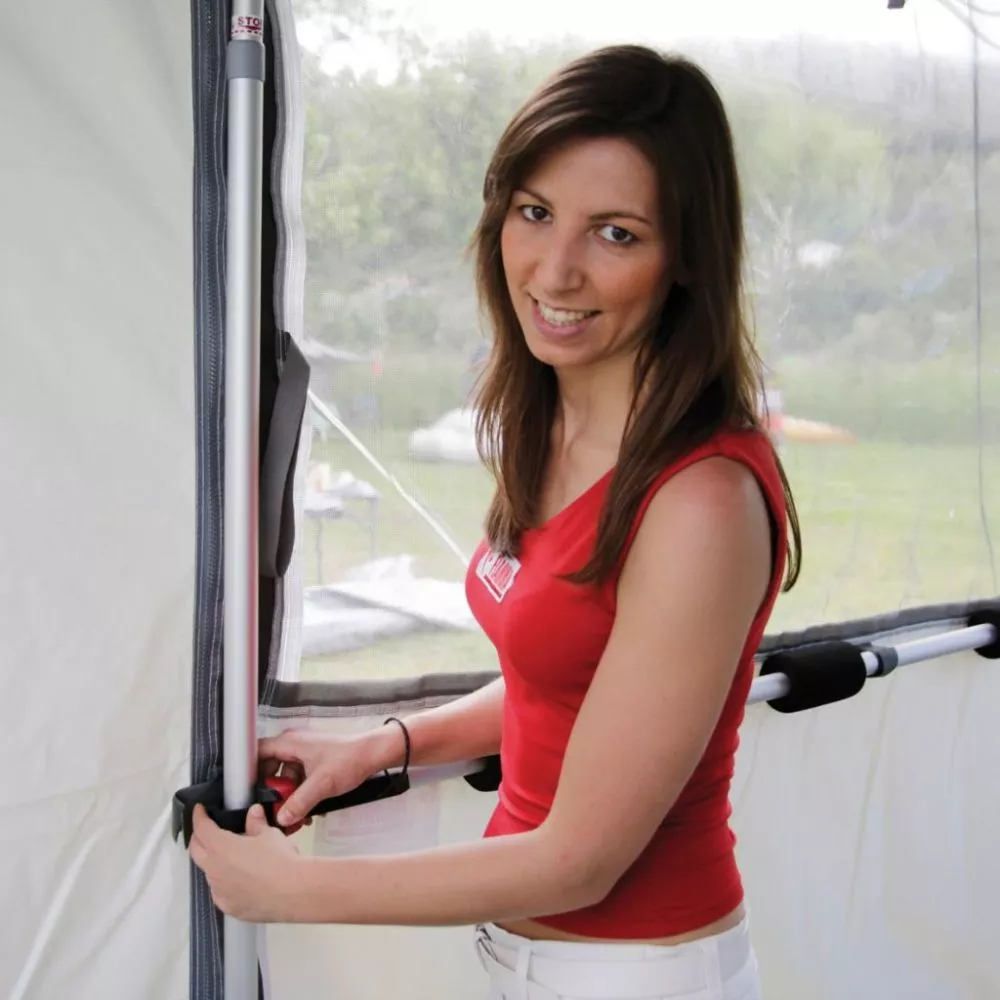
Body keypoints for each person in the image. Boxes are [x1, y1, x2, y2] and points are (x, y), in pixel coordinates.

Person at [189, 43, 802, 1000]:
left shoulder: (700, 504)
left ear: (686, 255)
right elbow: (564, 685)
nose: (555, 271)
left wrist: (292, 890)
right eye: (535, 212)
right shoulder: (550, 425)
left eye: (616, 234)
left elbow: (580, 861)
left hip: (635, 975)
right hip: (530, 963)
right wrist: (385, 744)